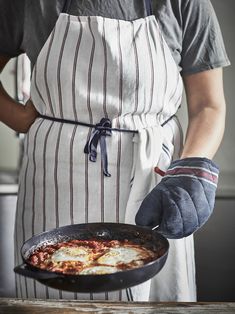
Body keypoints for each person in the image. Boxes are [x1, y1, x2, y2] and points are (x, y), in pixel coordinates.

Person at [0, 0, 230, 302]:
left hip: (153, 177)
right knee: (55, 300)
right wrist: (17, 117)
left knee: (155, 299)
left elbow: (208, 105)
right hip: (55, 176)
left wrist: (189, 171)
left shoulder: (185, 3)